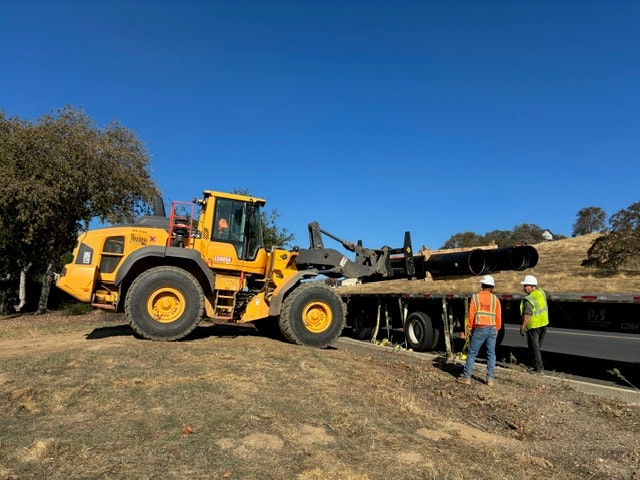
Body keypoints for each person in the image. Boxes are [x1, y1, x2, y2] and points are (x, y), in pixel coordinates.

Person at [457, 275, 502, 386]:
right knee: (491, 354)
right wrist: (497, 328)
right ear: (492, 287)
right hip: (492, 328)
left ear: (482, 285)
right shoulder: (495, 299)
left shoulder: (476, 297)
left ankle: (467, 378)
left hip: (480, 328)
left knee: (472, 353)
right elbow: (498, 316)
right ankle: (490, 380)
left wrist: (470, 328)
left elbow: (471, 314)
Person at [519, 274, 549, 373]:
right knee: (538, 347)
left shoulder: (529, 299)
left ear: (532, 286)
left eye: (525, 286)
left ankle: (539, 369)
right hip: (543, 324)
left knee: (534, 348)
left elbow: (527, 314)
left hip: (534, 325)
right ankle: (536, 366)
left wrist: (523, 327)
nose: (524, 288)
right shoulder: (541, 293)